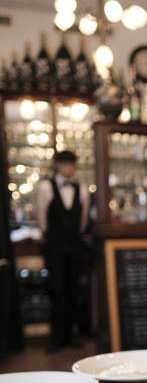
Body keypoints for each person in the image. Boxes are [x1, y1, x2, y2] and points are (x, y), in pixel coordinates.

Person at [36, 149, 91, 351]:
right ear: (57, 165)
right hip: (55, 247)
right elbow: (41, 217)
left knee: (74, 290)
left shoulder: (82, 189)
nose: (69, 168)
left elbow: (83, 220)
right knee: (56, 289)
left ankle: (71, 334)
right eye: (65, 164)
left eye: (72, 164)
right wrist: (51, 239)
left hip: (75, 246)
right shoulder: (45, 187)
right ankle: (56, 337)